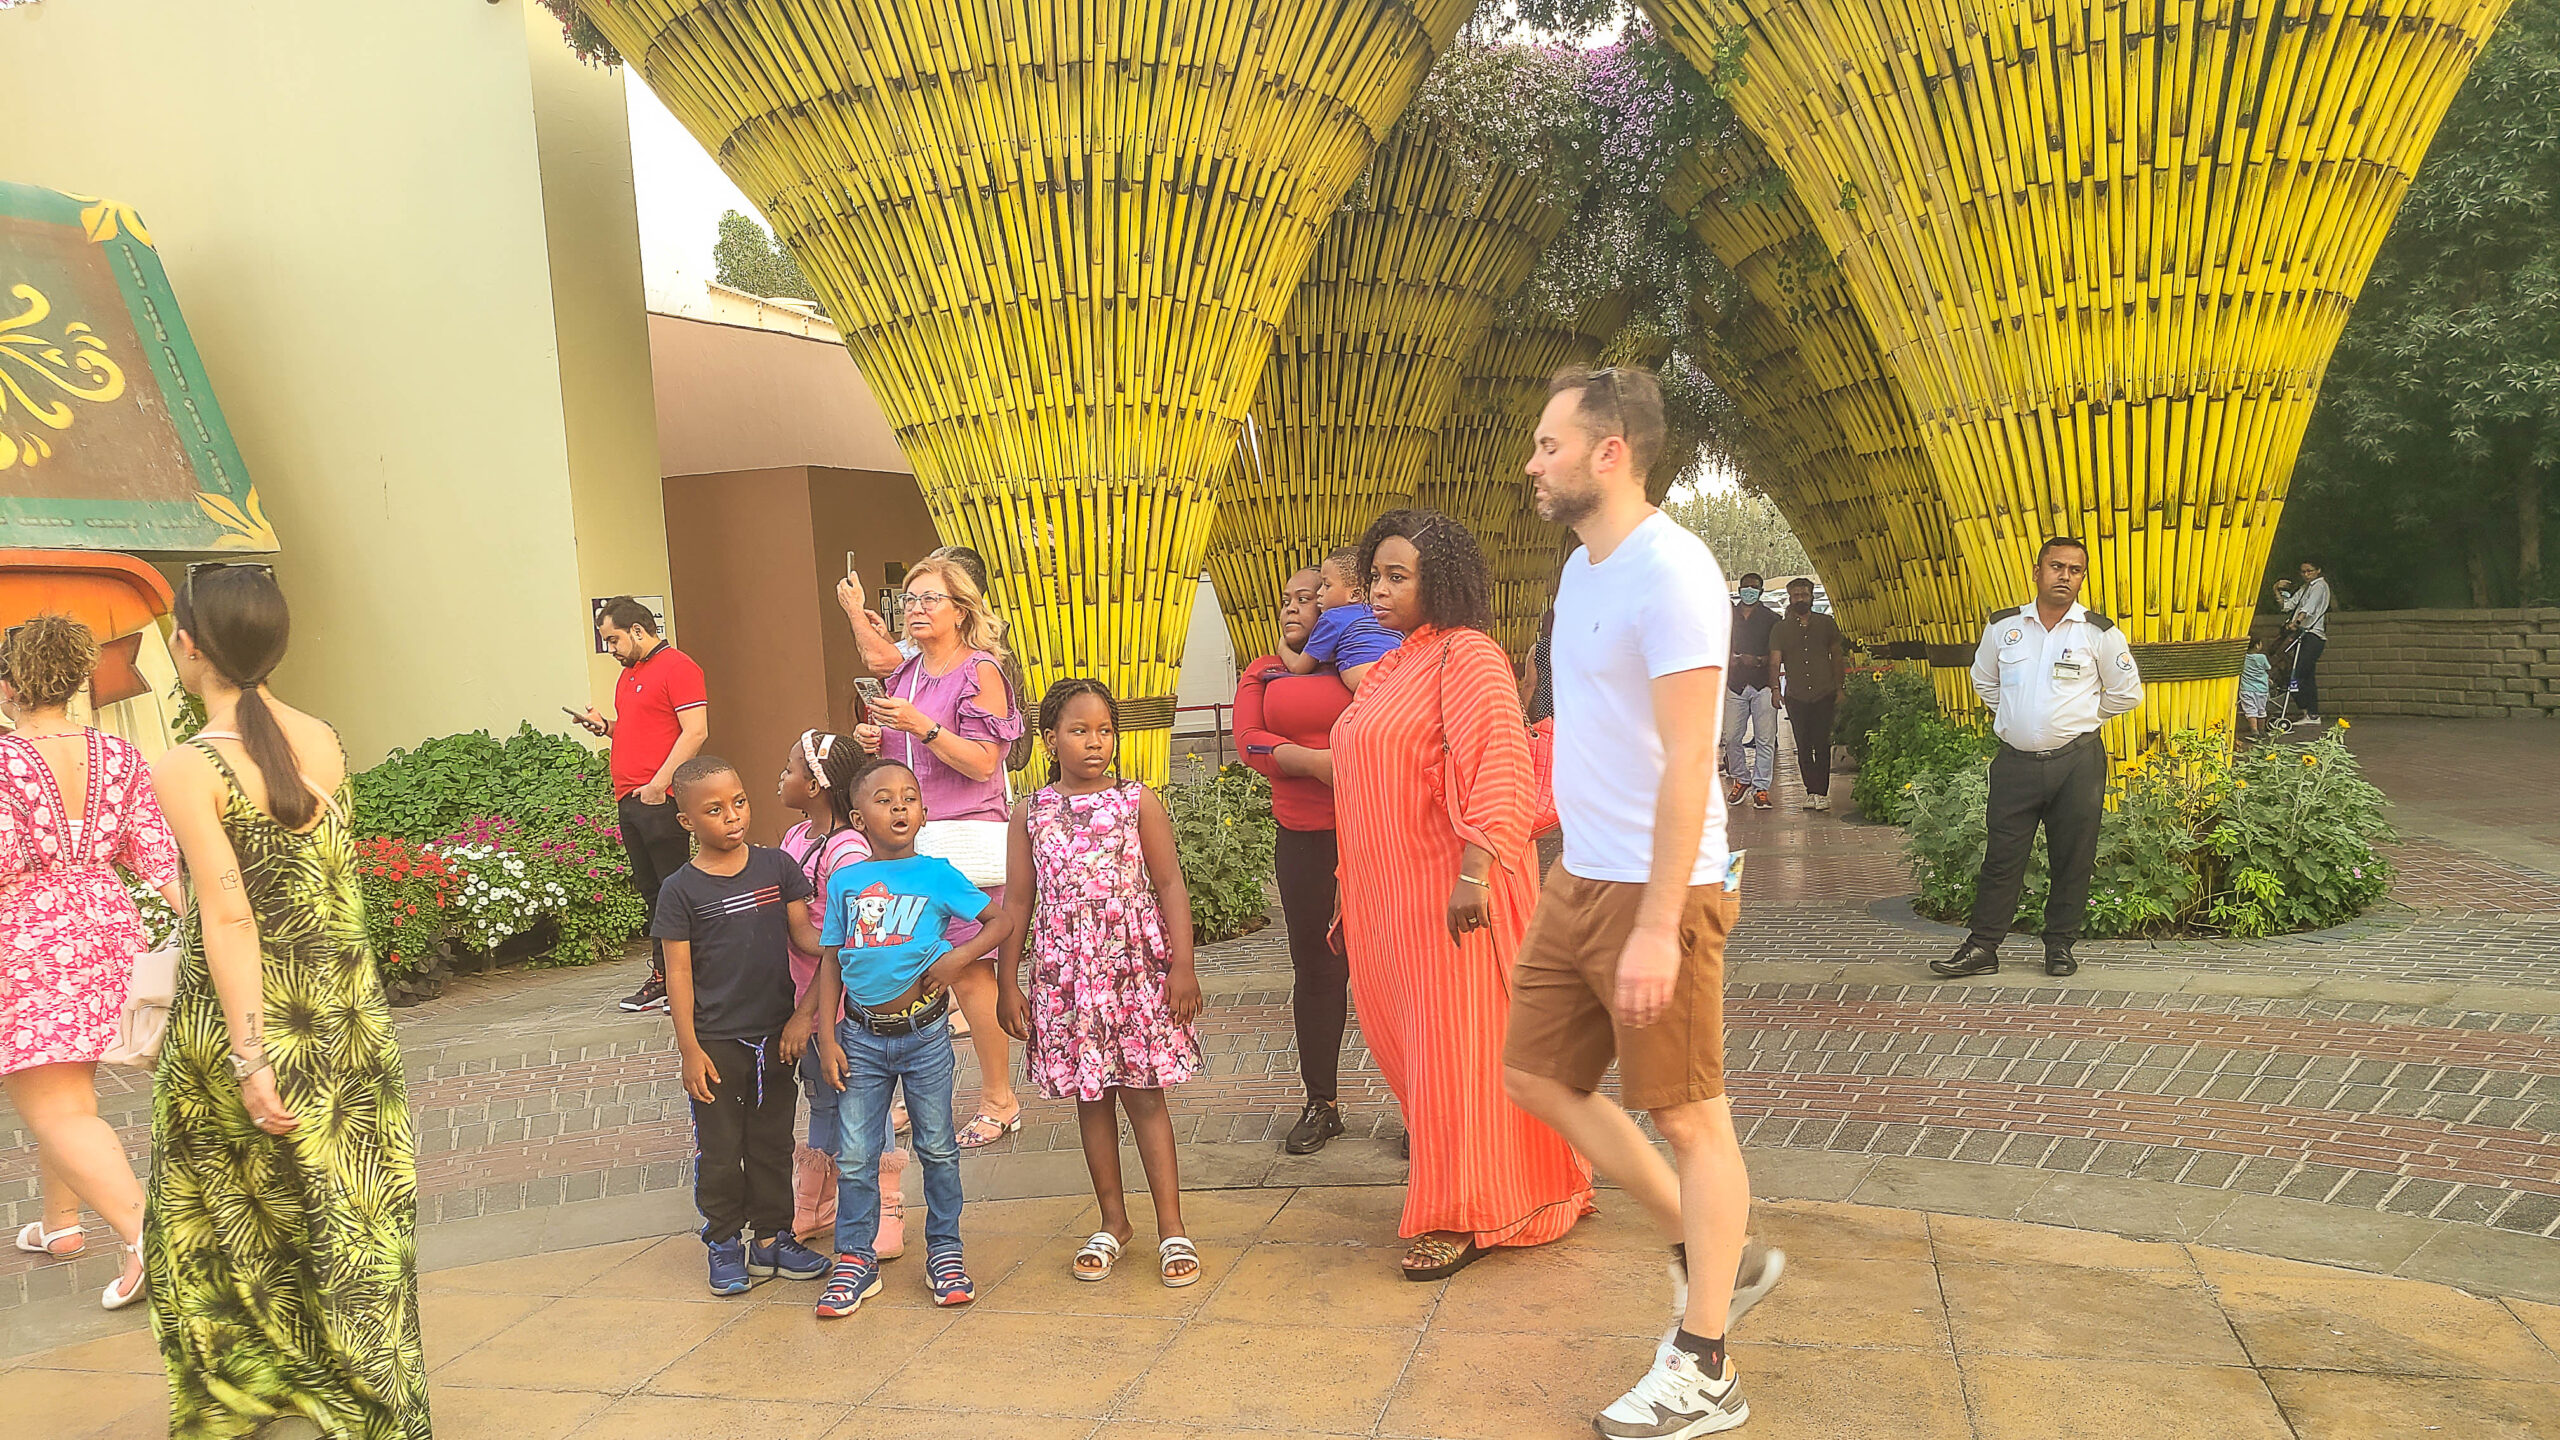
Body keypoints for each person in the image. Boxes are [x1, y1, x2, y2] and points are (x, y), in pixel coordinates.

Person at [1503, 366, 1778, 1439]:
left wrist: (1661, 924)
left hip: (1666, 883)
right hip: (1581, 872)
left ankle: (1705, 1366)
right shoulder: (1582, 569)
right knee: (1532, 1074)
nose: (1533, 463)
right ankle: (1716, 1250)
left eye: (1550, 445)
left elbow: (1687, 759)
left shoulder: (1674, 572)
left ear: (1609, 452)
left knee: (1688, 1115)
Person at [147, 563, 428, 1437]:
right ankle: (372, 1393)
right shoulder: (324, 738)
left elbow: (231, 915)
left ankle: (252, 1388)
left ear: (188, 646)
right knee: (353, 1207)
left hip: (246, 1021)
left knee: (214, 1215)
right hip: (345, 1014)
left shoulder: (190, 764)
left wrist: (249, 1056)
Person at [1330, 506, 1594, 1281]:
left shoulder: (1468, 655)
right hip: (1392, 900)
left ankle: (1464, 1212)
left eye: (1397, 576)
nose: (1379, 590)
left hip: (1456, 896)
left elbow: (1501, 769)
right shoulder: (1400, 661)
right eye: (1375, 576)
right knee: (1421, 1054)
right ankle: (1529, 1180)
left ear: (1439, 581)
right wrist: (1352, 887)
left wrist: (1474, 874)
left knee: (1458, 1057)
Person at [0, 616, 183, 1311]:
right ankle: (62, 1223)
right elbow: (158, 854)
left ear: (10, 686)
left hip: (27, 937)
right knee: (67, 1088)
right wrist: (203, 929)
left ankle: (147, 1238)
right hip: (107, 927)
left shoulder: (4, 763)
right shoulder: (119, 755)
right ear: (77, 680)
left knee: (57, 1106)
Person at [997, 680, 1206, 1286]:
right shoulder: (1030, 812)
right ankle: (1114, 1221)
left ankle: (1172, 1228)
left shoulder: (1136, 801)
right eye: (1079, 730)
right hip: (1066, 975)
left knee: (1145, 1094)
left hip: (1135, 969)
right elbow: (1018, 901)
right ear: (1049, 739)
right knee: (1091, 1096)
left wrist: (1183, 965)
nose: (1095, 742)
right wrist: (1008, 982)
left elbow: (1170, 884)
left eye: (1105, 731)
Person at [811, 758, 1014, 1317]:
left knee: (938, 1147)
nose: (899, 806)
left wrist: (957, 959)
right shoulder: (846, 881)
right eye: (884, 800)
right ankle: (855, 1258)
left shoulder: (937, 874)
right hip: (860, 1039)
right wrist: (828, 1035)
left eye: (909, 797)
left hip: (925, 1038)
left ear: (923, 813)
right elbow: (831, 959)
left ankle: (945, 1251)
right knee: (857, 1154)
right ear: (858, 818)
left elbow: (999, 922)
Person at [843, 555, 1026, 1148]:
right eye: (910, 600)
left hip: (963, 837)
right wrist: (876, 738)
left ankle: (999, 1098)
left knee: (970, 971)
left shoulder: (980, 671)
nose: (916, 610)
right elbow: (903, 755)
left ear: (961, 610)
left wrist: (920, 725)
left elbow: (983, 762)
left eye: (929, 600)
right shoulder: (907, 673)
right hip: (908, 841)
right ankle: (917, 1093)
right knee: (908, 961)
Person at [657, 755, 833, 1294]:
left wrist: (847, 943)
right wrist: (690, 1049)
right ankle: (724, 1243)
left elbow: (805, 937)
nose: (732, 816)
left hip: (775, 1035)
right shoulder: (680, 890)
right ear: (687, 821)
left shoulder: (776, 867)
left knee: (772, 1143)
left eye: (738, 802)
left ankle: (772, 1239)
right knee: (720, 1148)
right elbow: (678, 973)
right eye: (714, 810)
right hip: (716, 1043)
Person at [1934, 537, 2145, 981]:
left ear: (2082, 578)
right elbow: (1984, 681)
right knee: (2002, 857)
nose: (2065, 576)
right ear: (2037, 572)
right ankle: (1983, 947)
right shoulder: (2004, 627)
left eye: (2075, 570)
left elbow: (2127, 692)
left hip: (2077, 763)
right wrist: (2017, 718)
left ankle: (2060, 946)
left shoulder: (2099, 633)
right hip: (2016, 764)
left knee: (2073, 856)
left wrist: (2084, 718)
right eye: (2056, 566)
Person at [1232, 568, 1357, 1155]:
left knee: (1391, 968)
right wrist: (1315, 763)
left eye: (1308, 598)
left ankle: (1417, 1106)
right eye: (1286, 599)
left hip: (1375, 832)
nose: (1292, 608)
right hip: (1304, 837)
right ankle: (1321, 1103)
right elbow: (1248, 741)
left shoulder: (1363, 662)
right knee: (1316, 969)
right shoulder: (1264, 671)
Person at [777, 729, 903, 1255]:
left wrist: (805, 1012)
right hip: (804, 1000)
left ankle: (886, 1208)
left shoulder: (848, 851)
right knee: (823, 1098)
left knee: (864, 1101)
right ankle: (815, 1202)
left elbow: (842, 943)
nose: (781, 777)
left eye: (790, 769)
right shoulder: (795, 838)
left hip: (840, 1006)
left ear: (815, 785)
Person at [572, 597, 709, 1014]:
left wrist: (658, 785)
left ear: (637, 630)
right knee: (652, 891)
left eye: (614, 640)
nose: (611, 649)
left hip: (659, 798)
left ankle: (690, 980)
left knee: (673, 889)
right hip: (629, 798)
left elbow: (695, 731)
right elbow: (638, 729)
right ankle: (665, 977)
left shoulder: (679, 667)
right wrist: (605, 727)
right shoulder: (628, 675)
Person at [1767, 577, 1849, 812]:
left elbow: (1837, 657)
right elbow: (1774, 662)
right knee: (1802, 745)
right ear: (1790, 598)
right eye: (1796, 596)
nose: (1800, 599)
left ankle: (1821, 792)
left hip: (1824, 692)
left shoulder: (1826, 624)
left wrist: (1840, 688)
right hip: (1796, 694)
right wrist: (1775, 689)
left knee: (1821, 743)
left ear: (1812, 596)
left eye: (1804, 594)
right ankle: (1810, 791)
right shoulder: (1780, 629)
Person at [1280, 546, 1399, 690]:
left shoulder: (1332, 618)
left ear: (1354, 595)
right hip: (1400, 674)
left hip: (1371, 683)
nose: (1319, 592)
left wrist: (1282, 647)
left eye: (1327, 585)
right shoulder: (1383, 614)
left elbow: (1298, 668)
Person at [1720, 574, 1779, 811]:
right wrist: (1731, 659)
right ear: (1739, 589)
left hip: (1763, 685)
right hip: (1735, 685)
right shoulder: (1728, 615)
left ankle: (1761, 788)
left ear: (1761, 591)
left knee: (1765, 739)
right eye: (1745, 587)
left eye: (1754, 587)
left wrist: (1759, 661)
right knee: (1732, 737)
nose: (1749, 591)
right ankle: (1741, 778)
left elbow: (1777, 652)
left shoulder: (1772, 618)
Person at [2274, 559, 2332, 725]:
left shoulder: (2320, 586)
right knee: (2306, 675)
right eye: (2303, 572)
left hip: (2312, 634)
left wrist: (2296, 623)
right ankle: (2310, 713)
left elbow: (2309, 608)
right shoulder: (2306, 587)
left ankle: (2309, 711)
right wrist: (2276, 590)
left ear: (2318, 570)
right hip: (2303, 635)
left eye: (2309, 571)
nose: (2306, 575)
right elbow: (2288, 605)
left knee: (2297, 674)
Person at [2239, 633, 2276, 739]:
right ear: (2257, 645)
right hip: (2261, 689)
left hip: (2246, 688)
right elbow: (2267, 668)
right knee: (2261, 710)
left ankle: (2254, 731)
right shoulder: (2262, 657)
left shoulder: (2242, 658)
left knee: (2250, 710)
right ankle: (2262, 730)